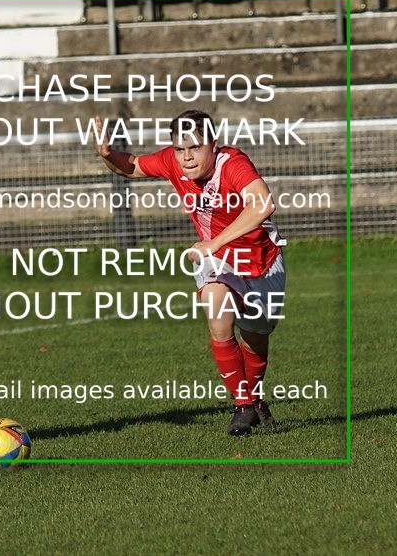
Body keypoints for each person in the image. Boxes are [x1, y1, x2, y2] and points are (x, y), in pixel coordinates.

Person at [92, 109, 287, 435]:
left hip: (262, 262)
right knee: (217, 312)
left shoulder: (233, 164)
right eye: (180, 149)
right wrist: (108, 154)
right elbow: (133, 166)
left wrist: (215, 242)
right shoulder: (173, 161)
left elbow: (263, 204)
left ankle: (254, 400)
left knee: (256, 338)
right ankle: (242, 406)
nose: (186, 157)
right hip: (216, 258)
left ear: (214, 144)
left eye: (195, 147)